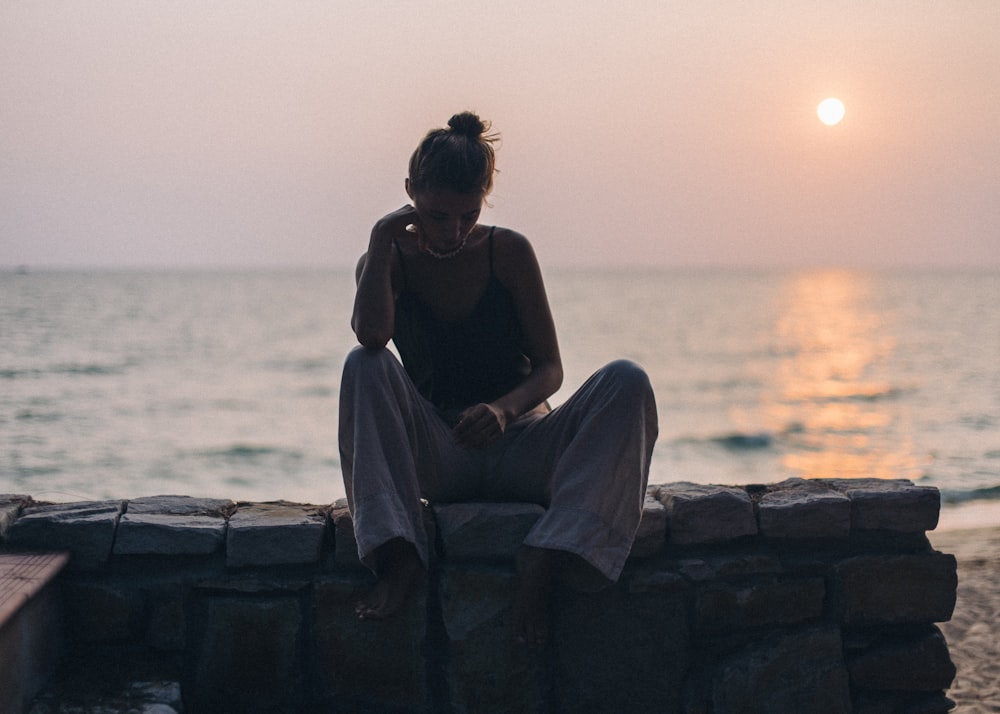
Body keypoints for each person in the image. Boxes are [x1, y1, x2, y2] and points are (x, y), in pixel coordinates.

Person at [339, 111, 657, 645]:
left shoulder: (507, 252)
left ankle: (547, 553)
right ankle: (400, 557)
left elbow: (551, 368)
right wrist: (380, 235)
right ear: (410, 192)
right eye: (438, 215)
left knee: (628, 381)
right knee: (362, 365)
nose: (453, 232)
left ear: (485, 197)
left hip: (524, 446)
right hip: (443, 456)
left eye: (468, 215)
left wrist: (504, 410)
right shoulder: (386, 257)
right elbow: (371, 336)